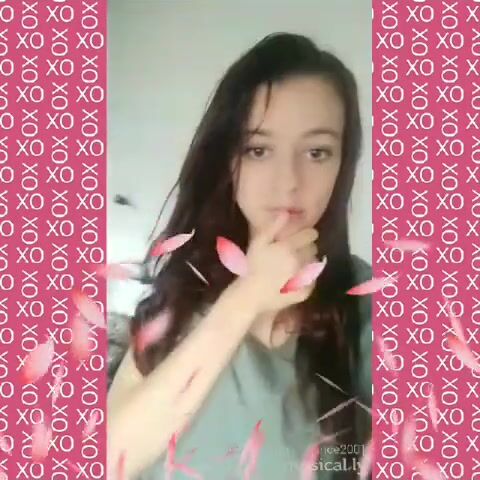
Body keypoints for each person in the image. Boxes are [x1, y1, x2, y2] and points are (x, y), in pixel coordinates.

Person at [107, 32, 372, 480]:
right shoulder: (183, 288)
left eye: (317, 152)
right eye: (258, 150)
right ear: (228, 160)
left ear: (342, 164)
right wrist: (247, 297)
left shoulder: (364, 300)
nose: (288, 181)